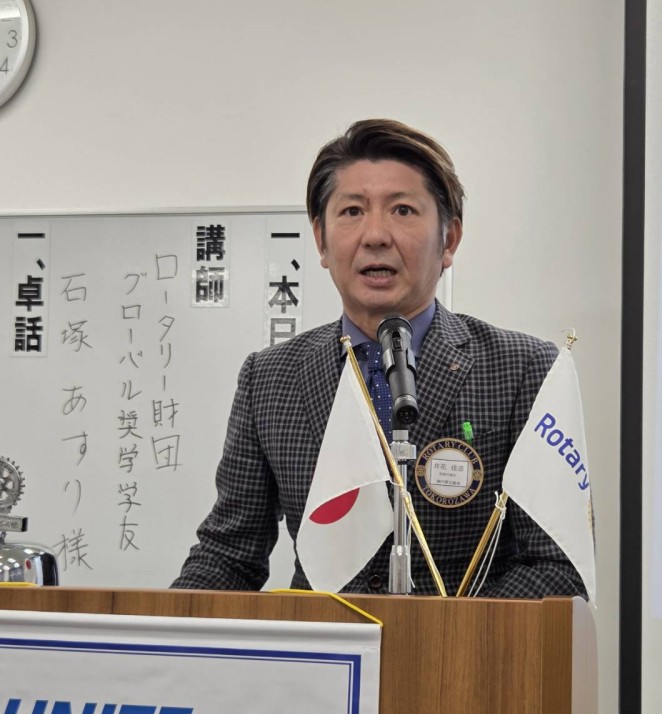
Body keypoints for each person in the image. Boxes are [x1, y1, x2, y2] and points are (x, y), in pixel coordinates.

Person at [172, 119, 585, 598]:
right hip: (323, 645)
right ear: (321, 240)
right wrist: (154, 634)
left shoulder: (525, 369)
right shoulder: (268, 377)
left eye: (402, 210)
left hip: (465, 646)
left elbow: (557, 567)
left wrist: (439, 633)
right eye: (352, 211)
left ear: (449, 239)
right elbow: (229, 555)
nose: (375, 235)